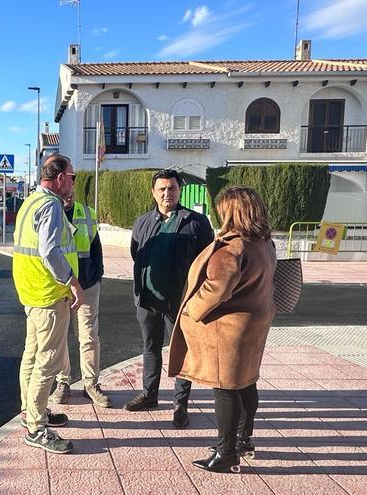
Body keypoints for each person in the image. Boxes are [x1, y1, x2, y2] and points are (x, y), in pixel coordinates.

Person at [167, 186, 277, 473]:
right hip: (255, 323)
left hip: (229, 328)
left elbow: (218, 287)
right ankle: (243, 440)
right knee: (247, 381)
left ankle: (226, 452)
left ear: (233, 211)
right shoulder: (264, 242)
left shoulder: (233, 247)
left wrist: (192, 308)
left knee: (226, 387)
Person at [124, 169, 214, 430]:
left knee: (181, 352)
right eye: (162, 189)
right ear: (153, 192)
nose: (167, 193)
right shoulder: (142, 222)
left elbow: (206, 262)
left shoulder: (197, 222)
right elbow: (136, 254)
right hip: (148, 299)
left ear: (179, 190)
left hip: (181, 302)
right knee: (150, 348)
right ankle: (149, 394)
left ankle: (180, 405)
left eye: (172, 188)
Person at [13, 154, 84, 455]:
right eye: (72, 176)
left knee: (32, 356)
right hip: (49, 293)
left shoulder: (30, 201)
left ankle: (30, 413)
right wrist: (72, 281)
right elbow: (51, 251)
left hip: (32, 292)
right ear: (59, 178)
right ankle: (36, 428)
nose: (73, 182)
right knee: (49, 361)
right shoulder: (51, 205)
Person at [49, 190, 111, 408]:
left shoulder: (87, 213)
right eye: (63, 192)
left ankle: (91, 384)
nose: (68, 195)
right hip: (60, 287)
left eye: (71, 191)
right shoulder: (50, 212)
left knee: (89, 336)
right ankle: (63, 382)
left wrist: (97, 276)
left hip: (86, 284)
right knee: (60, 338)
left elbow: (95, 247)